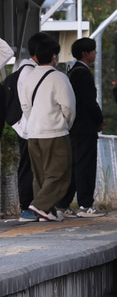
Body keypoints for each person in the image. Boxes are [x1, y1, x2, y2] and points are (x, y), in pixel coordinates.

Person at [20, 36, 75, 222]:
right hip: (55, 132)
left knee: (40, 175)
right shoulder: (59, 77)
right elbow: (68, 107)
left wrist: (34, 123)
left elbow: (26, 106)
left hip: (33, 133)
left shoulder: (28, 77)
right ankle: (39, 207)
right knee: (61, 174)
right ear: (54, 57)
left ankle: (48, 213)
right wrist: (65, 124)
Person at [13, 32, 58, 221]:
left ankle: (37, 207)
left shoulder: (28, 69)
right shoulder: (29, 72)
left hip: (32, 127)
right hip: (29, 128)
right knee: (29, 168)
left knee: (36, 168)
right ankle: (27, 208)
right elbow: (27, 104)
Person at [60, 38, 104, 215]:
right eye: (93, 51)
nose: (95, 54)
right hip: (84, 127)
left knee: (74, 165)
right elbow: (89, 102)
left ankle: (63, 203)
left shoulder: (73, 72)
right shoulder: (83, 73)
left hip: (74, 127)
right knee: (85, 165)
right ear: (85, 53)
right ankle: (85, 204)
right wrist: (99, 119)